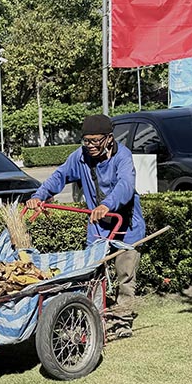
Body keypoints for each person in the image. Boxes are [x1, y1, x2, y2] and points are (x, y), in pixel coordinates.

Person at [26, 114, 146, 338]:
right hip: (98, 227)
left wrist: (107, 205)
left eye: (95, 141)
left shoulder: (123, 156)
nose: (90, 145)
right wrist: (39, 195)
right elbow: (59, 176)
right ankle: (92, 318)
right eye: (86, 140)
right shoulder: (79, 157)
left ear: (109, 138)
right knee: (91, 275)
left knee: (125, 276)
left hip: (126, 226)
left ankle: (122, 322)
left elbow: (126, 185)